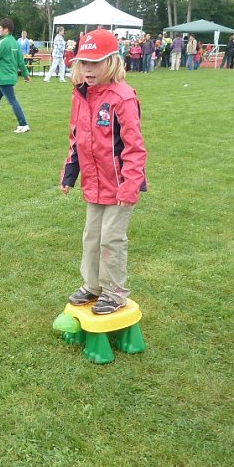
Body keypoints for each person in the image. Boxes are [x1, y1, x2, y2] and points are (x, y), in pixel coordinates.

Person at [59, 29, 147, 315]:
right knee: (91, 236)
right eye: (84, 62)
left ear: (111, 62)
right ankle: (93, 285)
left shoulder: (123, 97)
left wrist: (130, 184)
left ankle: (114, 292)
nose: (88, 69)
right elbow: (77, 138)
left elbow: (134, 146)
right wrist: (69, 174)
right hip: (94, 183)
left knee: (111, 238)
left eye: (95, 63)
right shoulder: (80, 95)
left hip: (120, 185)